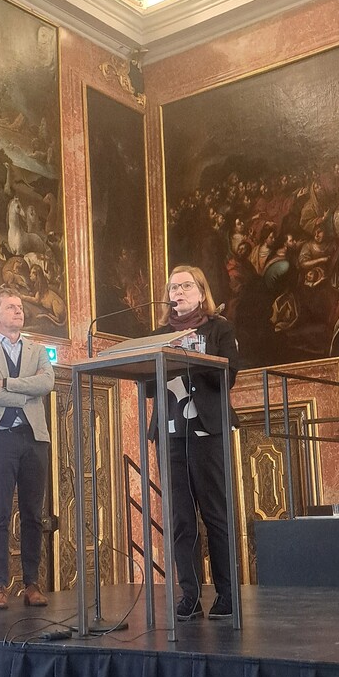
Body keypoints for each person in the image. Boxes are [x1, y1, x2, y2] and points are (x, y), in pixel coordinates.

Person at [152, 265, 240, 622]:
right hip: (170, 432)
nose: (179, 292)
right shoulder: (158, 335)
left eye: (187, 286)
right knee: (180, 519)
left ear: (202, 293)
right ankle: (190, 594)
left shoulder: (219, 328)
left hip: (207, 432)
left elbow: (228, 376)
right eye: (174, 287)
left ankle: (227, 593)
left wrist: (192, 354)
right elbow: (148, 387)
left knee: (215, 514)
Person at [0, 289, 55, 609]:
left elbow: (46, 383)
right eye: (11, 307)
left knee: (34, 514)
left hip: (34, 439)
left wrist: (6, 384)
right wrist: (25, 393)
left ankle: (32, 584)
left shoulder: (38, 351)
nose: (19, 311)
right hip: (0, 439)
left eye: (20, 307)